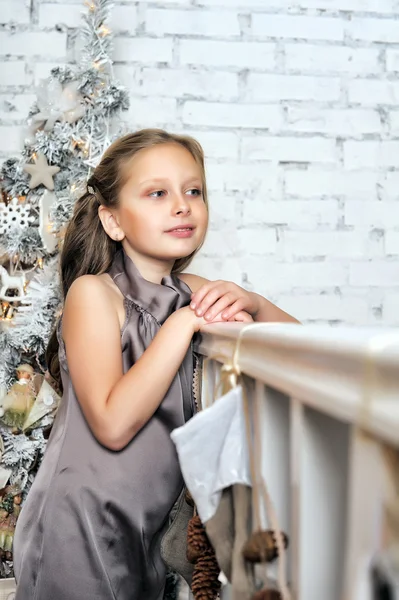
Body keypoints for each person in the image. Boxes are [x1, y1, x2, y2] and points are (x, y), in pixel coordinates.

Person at [13, 129, 297, 600]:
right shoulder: (95, 293)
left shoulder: (192, 291)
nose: (182, 205)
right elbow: (112, 423)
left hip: (146, 526)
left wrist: (255, 301)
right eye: (157, 193)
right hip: (79, 522)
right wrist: (183, 325)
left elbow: (305, 350)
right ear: (113, 221)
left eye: (193, 191)